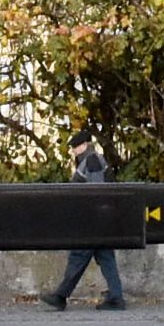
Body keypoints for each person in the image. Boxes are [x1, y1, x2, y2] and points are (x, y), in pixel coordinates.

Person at [45, 133, 129, 310]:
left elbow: (96, 193)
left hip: (93, 220)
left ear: (85, 145)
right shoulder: (93, 160)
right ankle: (116, 297)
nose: (74, 151)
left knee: (79, 255)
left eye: (75, 147)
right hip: (102, 219)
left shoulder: (91, 161)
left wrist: (89, 219)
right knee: (106, 257)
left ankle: (60, 296)